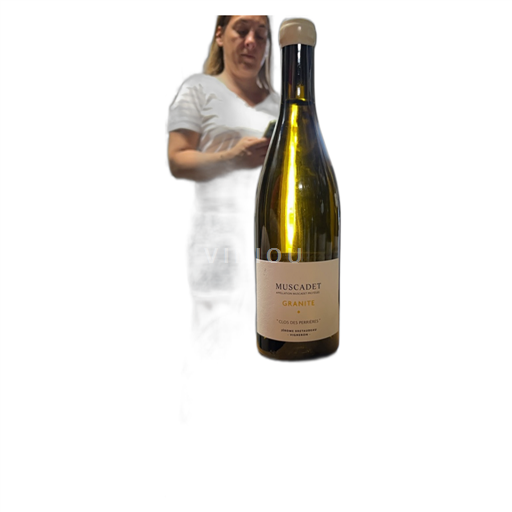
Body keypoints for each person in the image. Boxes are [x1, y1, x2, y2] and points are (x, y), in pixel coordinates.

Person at [167, 16, 279, 361]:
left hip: (269, 242)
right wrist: (231, 158)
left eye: (261, 35)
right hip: (218, 245)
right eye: (241, 30)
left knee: (269, 340)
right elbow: (177, 159)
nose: (251, 41)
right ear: (220, 35)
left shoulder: (280, 106)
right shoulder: (199, 89)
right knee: (215, 346)